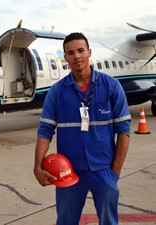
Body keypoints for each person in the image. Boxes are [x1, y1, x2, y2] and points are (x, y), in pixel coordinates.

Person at [33, 32, 131, 225]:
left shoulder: (111, 86)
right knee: (66, 220)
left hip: (104, 170)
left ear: (89, 52)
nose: (76, 56)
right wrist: (37, 166)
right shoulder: (57, 91)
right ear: (65, 58)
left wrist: (114, 174)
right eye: (70, 53)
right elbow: (45, 130)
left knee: (109, 221)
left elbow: (124, 130)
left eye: (80, 50)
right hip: (69, 172)